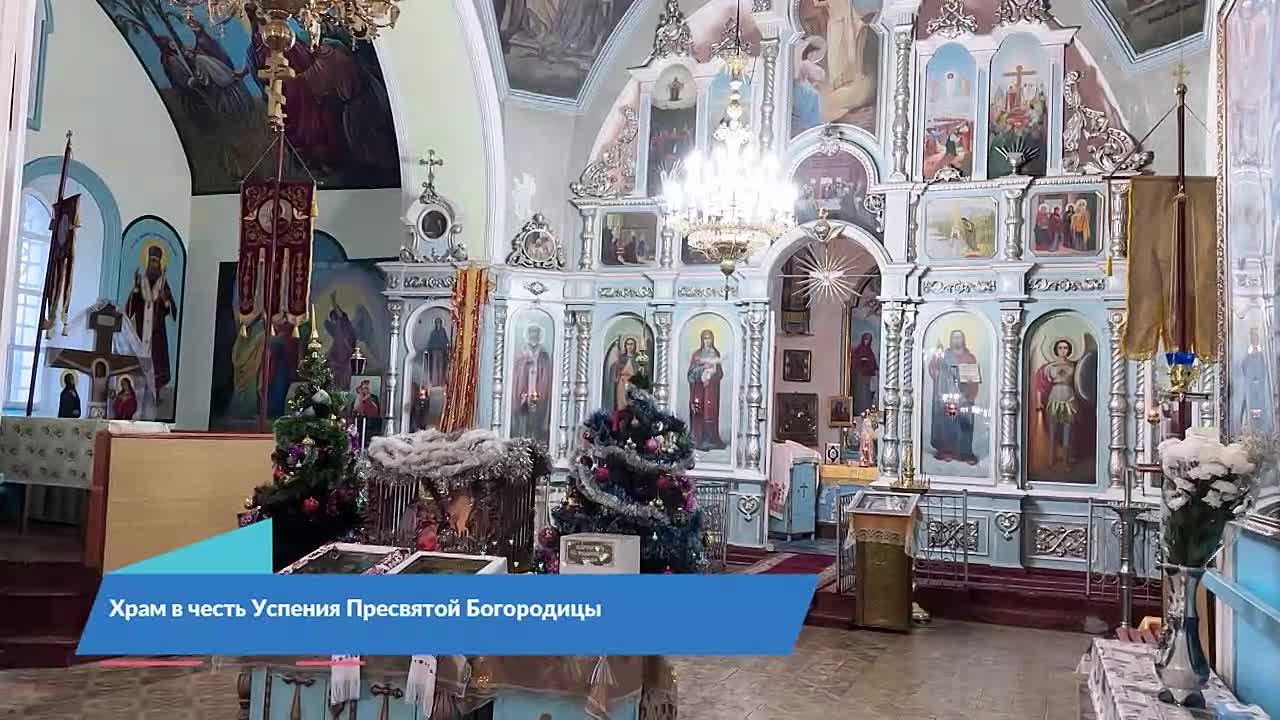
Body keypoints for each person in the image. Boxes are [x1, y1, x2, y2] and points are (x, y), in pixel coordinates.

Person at [125, 245, 177, 392]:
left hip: (157, 330)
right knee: (141, 357)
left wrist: (165, 300)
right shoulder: (141, 281)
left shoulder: (163, 283)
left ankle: (156, 391)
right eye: (151, 260)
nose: (153, 264)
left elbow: (171, 309)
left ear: (159, 263)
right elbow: (130, 308)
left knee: (157, 360)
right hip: (142, 329)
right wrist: (135, 289)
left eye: (156, 261)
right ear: (148, 262)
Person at [928, 330, 980, 464]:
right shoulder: (944, 355)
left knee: (964, 423)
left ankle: (965, 453)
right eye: (955, 338)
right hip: (948, 397)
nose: (957, 340)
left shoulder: (969, 357)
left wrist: (968, 395)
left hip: (963, 397)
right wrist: (937, 357)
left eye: (959, 337)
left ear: (963, 340)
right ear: (951, 340)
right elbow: (934, 370)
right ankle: (946, 451)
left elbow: (972, 381)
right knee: (948, 423)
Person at [1035, 339, 1083, 468]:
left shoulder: (1074, 366)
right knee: (1053, 429)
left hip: (1069, 398)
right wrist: (1039, 401)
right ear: (1056, 349)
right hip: (1054, 397)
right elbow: (1040, 384)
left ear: (1069, 350)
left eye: (1065, 348)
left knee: (1068, 430)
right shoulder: (1049, 367)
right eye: (1060, 348)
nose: (1063, 350)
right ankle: (1051, 460)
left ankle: (1066, 461)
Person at [512, 325, 553, 444]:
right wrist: (525, 363)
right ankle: (522, 440)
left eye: (536, 333)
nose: (533, 335)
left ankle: (535, 440)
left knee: (536, 419)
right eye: (531, 332)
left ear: (539, 335)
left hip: (538, 390)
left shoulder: (544, 354)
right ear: (528, 335)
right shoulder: (522, 352)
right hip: (524, 390)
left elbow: (546, 374)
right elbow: (517, 370)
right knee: (523, 419)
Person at [687, 329, 725, 451]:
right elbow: (690, 374)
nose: (707, 341)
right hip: (699, 390)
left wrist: (711, 376)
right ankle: (698, 439)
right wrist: (702, 370)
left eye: (709, 338)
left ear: (712, 340)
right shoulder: (697, 355)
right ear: (702, 340)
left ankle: (711, 440)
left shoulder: (715, 353)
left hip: (711, 391)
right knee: (699, 410)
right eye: (705, 338)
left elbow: (720, 373)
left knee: (711, 413)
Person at [606, 336, 643, 411]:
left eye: (631, 344)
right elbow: (616, 369)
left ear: (635, 346)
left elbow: (640, 371)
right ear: (625, 345)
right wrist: (616, 366)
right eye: (628, 344)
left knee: (632, 401)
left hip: (633, 382)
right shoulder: (621, 357)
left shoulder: (638, 358)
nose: (630, 346)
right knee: (621, 402)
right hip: (622, 382)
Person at [849, 332, 878, 414]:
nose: (867, 341)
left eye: (868, 340)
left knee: (866, 393)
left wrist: (874, 367)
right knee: (860, 392)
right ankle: (859, 409)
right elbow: (854, 359)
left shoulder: (869, 350)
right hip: (860, 375)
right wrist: (861, 360)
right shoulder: (859, 349)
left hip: (867, 375)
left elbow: (873, 361)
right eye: (866, 339)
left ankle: (866, 409)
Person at [424, 316, 451, 387]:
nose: (438, 324)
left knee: (441, 366)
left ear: (441, 323)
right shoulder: (433, 332)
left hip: (441, 351)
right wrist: (427, 349)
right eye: (437, 322)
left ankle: (441, 382)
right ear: (435, 323)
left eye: (439, 322)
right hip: (434, 351)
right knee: (434, 367)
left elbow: (446, 341)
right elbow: (430, 342)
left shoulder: (443, 331)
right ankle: (435, 382)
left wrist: (448, 346)